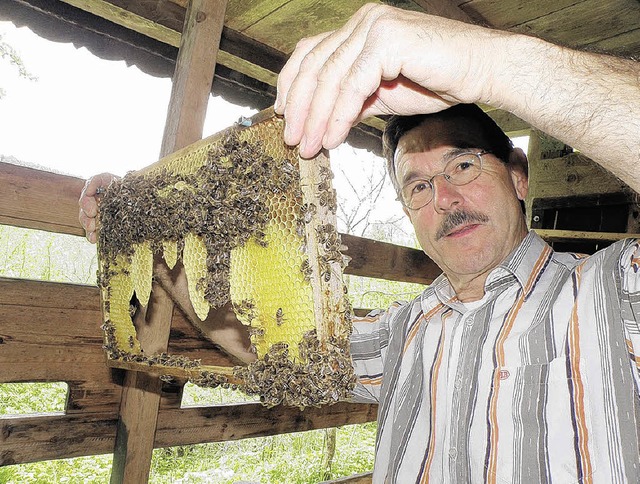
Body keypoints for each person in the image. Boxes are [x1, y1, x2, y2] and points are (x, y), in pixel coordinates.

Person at [80, 4, 640, 482]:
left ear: (519, 177)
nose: (443, 198)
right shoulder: (401, 332)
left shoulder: (617, 289)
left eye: (462, 165)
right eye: (418, 186)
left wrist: (489, 63)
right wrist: (151, 244)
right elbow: (264, 343)